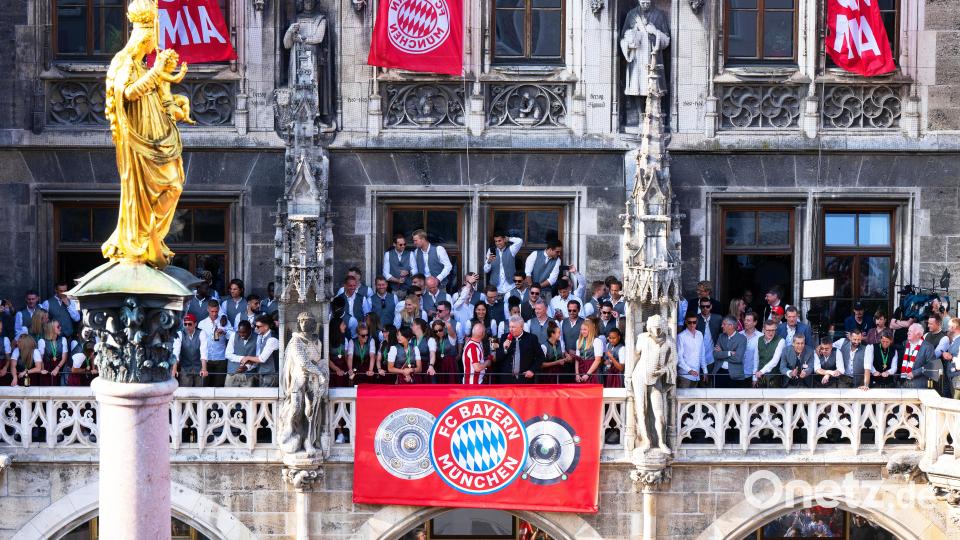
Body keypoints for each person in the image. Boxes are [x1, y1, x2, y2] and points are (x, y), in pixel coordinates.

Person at [496, 315, 543, 384]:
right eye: (510, 327)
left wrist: (532, 370)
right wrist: (504, 349)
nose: (511, 329)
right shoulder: (504, 337)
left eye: (513, 327)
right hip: (507, 380)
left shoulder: (531, 338)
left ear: (521, 327)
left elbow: (540, 357)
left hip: (525, 379)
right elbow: (498, 358)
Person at [198, 299, 233, 388]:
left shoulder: (225, 322)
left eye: (216, 311)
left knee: (219, 385)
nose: (214, 314)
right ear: (208, 310)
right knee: (205, 385)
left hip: (221, 357)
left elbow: (233, 336)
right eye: (212, 311)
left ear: (219, 310)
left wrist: (224, 332)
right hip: (207, 358)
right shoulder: (202, 324)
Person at [898, 323, 938, 389]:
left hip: (919, 384)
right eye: (908, 331)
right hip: (904, 383)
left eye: (910, 331)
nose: (908, 333)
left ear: (918, 334)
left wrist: (914, 373)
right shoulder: (906, 344)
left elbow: (931, 366)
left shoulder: (927, 347)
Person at [712, 316, 748, 387]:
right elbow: (715, 354)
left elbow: (738, 359)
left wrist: (722, 353)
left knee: (733, 397)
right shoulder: (721, 336)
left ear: (731, 326)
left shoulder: (742, 339)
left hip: (735, 375)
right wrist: (729, 353)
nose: (722, 326)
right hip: (719, 372)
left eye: (724, 324)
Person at [172, 313, 206, 387]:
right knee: (184, 392)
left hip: (199, 368)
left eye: (190, 324)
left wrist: (204, 368)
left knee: (200, 393)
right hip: (185, 369)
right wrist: (174, 369)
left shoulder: (201, 333)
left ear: (195, 324)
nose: (187, 326)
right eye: (185, 324)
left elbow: (204, 352)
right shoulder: (179, 334)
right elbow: (176, 352)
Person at [753, 319, 786, 387]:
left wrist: (762, 371)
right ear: (764, 330)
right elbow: (756, 359)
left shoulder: (781, 341)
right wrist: (754, 378)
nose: (771, 333)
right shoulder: (759, 339)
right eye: (768, 330)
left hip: (774, 377)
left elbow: (775, 360)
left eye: (773, 330)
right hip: (760, 377)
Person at [225, 320, 258, 387]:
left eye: (244, 332)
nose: (241, 335)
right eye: (239, 332)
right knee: (228, 395)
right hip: (232, 373)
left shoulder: (258, 338)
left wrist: (247, 367)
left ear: (250, 330)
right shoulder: (234, 335)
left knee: (247, 396)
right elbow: (228, 354)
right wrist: (243, 358)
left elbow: (259, 358)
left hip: (248, 375)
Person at [677, 314, 706, 388]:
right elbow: (679, 358)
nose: (692, 324)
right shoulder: (681, 336)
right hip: (685, 375)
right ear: (686, 322)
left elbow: (702, 354)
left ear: (697, 322)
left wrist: (705, 371)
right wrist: (690, 370)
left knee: (694, 398)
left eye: (694, 322)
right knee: (684, 399)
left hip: (696, 375)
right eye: (690, 322)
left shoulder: (700, 334)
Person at [696, 298, 723, 379]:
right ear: (699, 307)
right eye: (703, 306)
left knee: (711, 379)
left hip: (712, 355)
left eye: (707, 306)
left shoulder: (718, 318)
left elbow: (723, 334)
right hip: (698, 355)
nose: (705, 308)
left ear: (711, 306)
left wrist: (721, 347)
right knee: (698, 380)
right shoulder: (695, 319)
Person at [572, 319, 603, 384]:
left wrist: (587, 374)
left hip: (593, 370)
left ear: (590, 330)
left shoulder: (597, 341)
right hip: (582, 369)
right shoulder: (578, 341)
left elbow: (598, 360)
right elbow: (577, 359)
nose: (582, 331)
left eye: (585, 329)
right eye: (581, 329)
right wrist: (577, 374)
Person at [431, 319, 458, 384]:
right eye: (435, 331)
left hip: (450, 365)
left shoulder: (450, 337)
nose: (438, 332)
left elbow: (449, 326)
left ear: (444, 328)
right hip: (439, 365)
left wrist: (442, 320)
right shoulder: (433, 340)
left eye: (440, 330)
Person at [411, 319, 436, 383]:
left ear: (418, 326)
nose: (411, 327)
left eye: (413, 325)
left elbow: (432, 355)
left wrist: (431, 366)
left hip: (425, 368)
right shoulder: (412, 340)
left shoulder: (430, 340)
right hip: (414, 369)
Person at [329, 317, 352, 387]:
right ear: (337, 326)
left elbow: (346, 357)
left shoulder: (345, 339)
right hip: (332, 369)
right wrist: (337, 369)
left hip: (342, 367)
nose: (345, 326)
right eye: (343, 324)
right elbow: (328, 360)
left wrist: (349, 369)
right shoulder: (328, 341)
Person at [940, 317, 960, 399]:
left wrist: (951, 357)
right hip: (950, 376)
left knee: (956, 403)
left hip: (957, 378)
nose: (947, 329)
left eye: (949, 326)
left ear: (954, 327)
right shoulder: (954, 340)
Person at [739, 312, 761, 381]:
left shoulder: (761, 337)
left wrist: (755, 377)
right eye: (745, 320)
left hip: (752, 374)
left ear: (755, 322)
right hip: (738, 374)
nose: (745, 322)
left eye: (748, 320)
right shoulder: (739, 335)